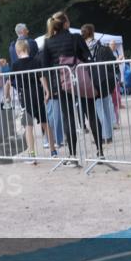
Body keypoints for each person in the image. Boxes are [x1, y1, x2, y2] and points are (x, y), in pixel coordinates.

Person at [41, 11, 92, 165]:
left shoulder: (48, 42)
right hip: (80, 79)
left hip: (60, 83)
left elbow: (44, 66)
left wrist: (49, 88)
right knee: (90, 111)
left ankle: (73, 155)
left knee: (68, 117)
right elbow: (87, 57)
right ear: (66, 24)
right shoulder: (75, 38)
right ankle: (100, 153)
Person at [7, 38, 55, 163]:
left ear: (18, 51)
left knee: (28, 126)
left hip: (26, 95)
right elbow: (41, 77)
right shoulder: (35, 61)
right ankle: (53, 150)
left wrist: (7, 94)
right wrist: (47, 91)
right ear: (27, 49)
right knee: (45, 122)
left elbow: (10, 81)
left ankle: (32, 154)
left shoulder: (16, 64)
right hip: (38, 93)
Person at [81, 24, 115, 147]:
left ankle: (103, 135)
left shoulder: (82, 49)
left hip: (91, 81)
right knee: (106, 106)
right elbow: (112, 62)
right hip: (104, 80)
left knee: (98, 108)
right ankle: (109, 135)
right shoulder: (102, 47)